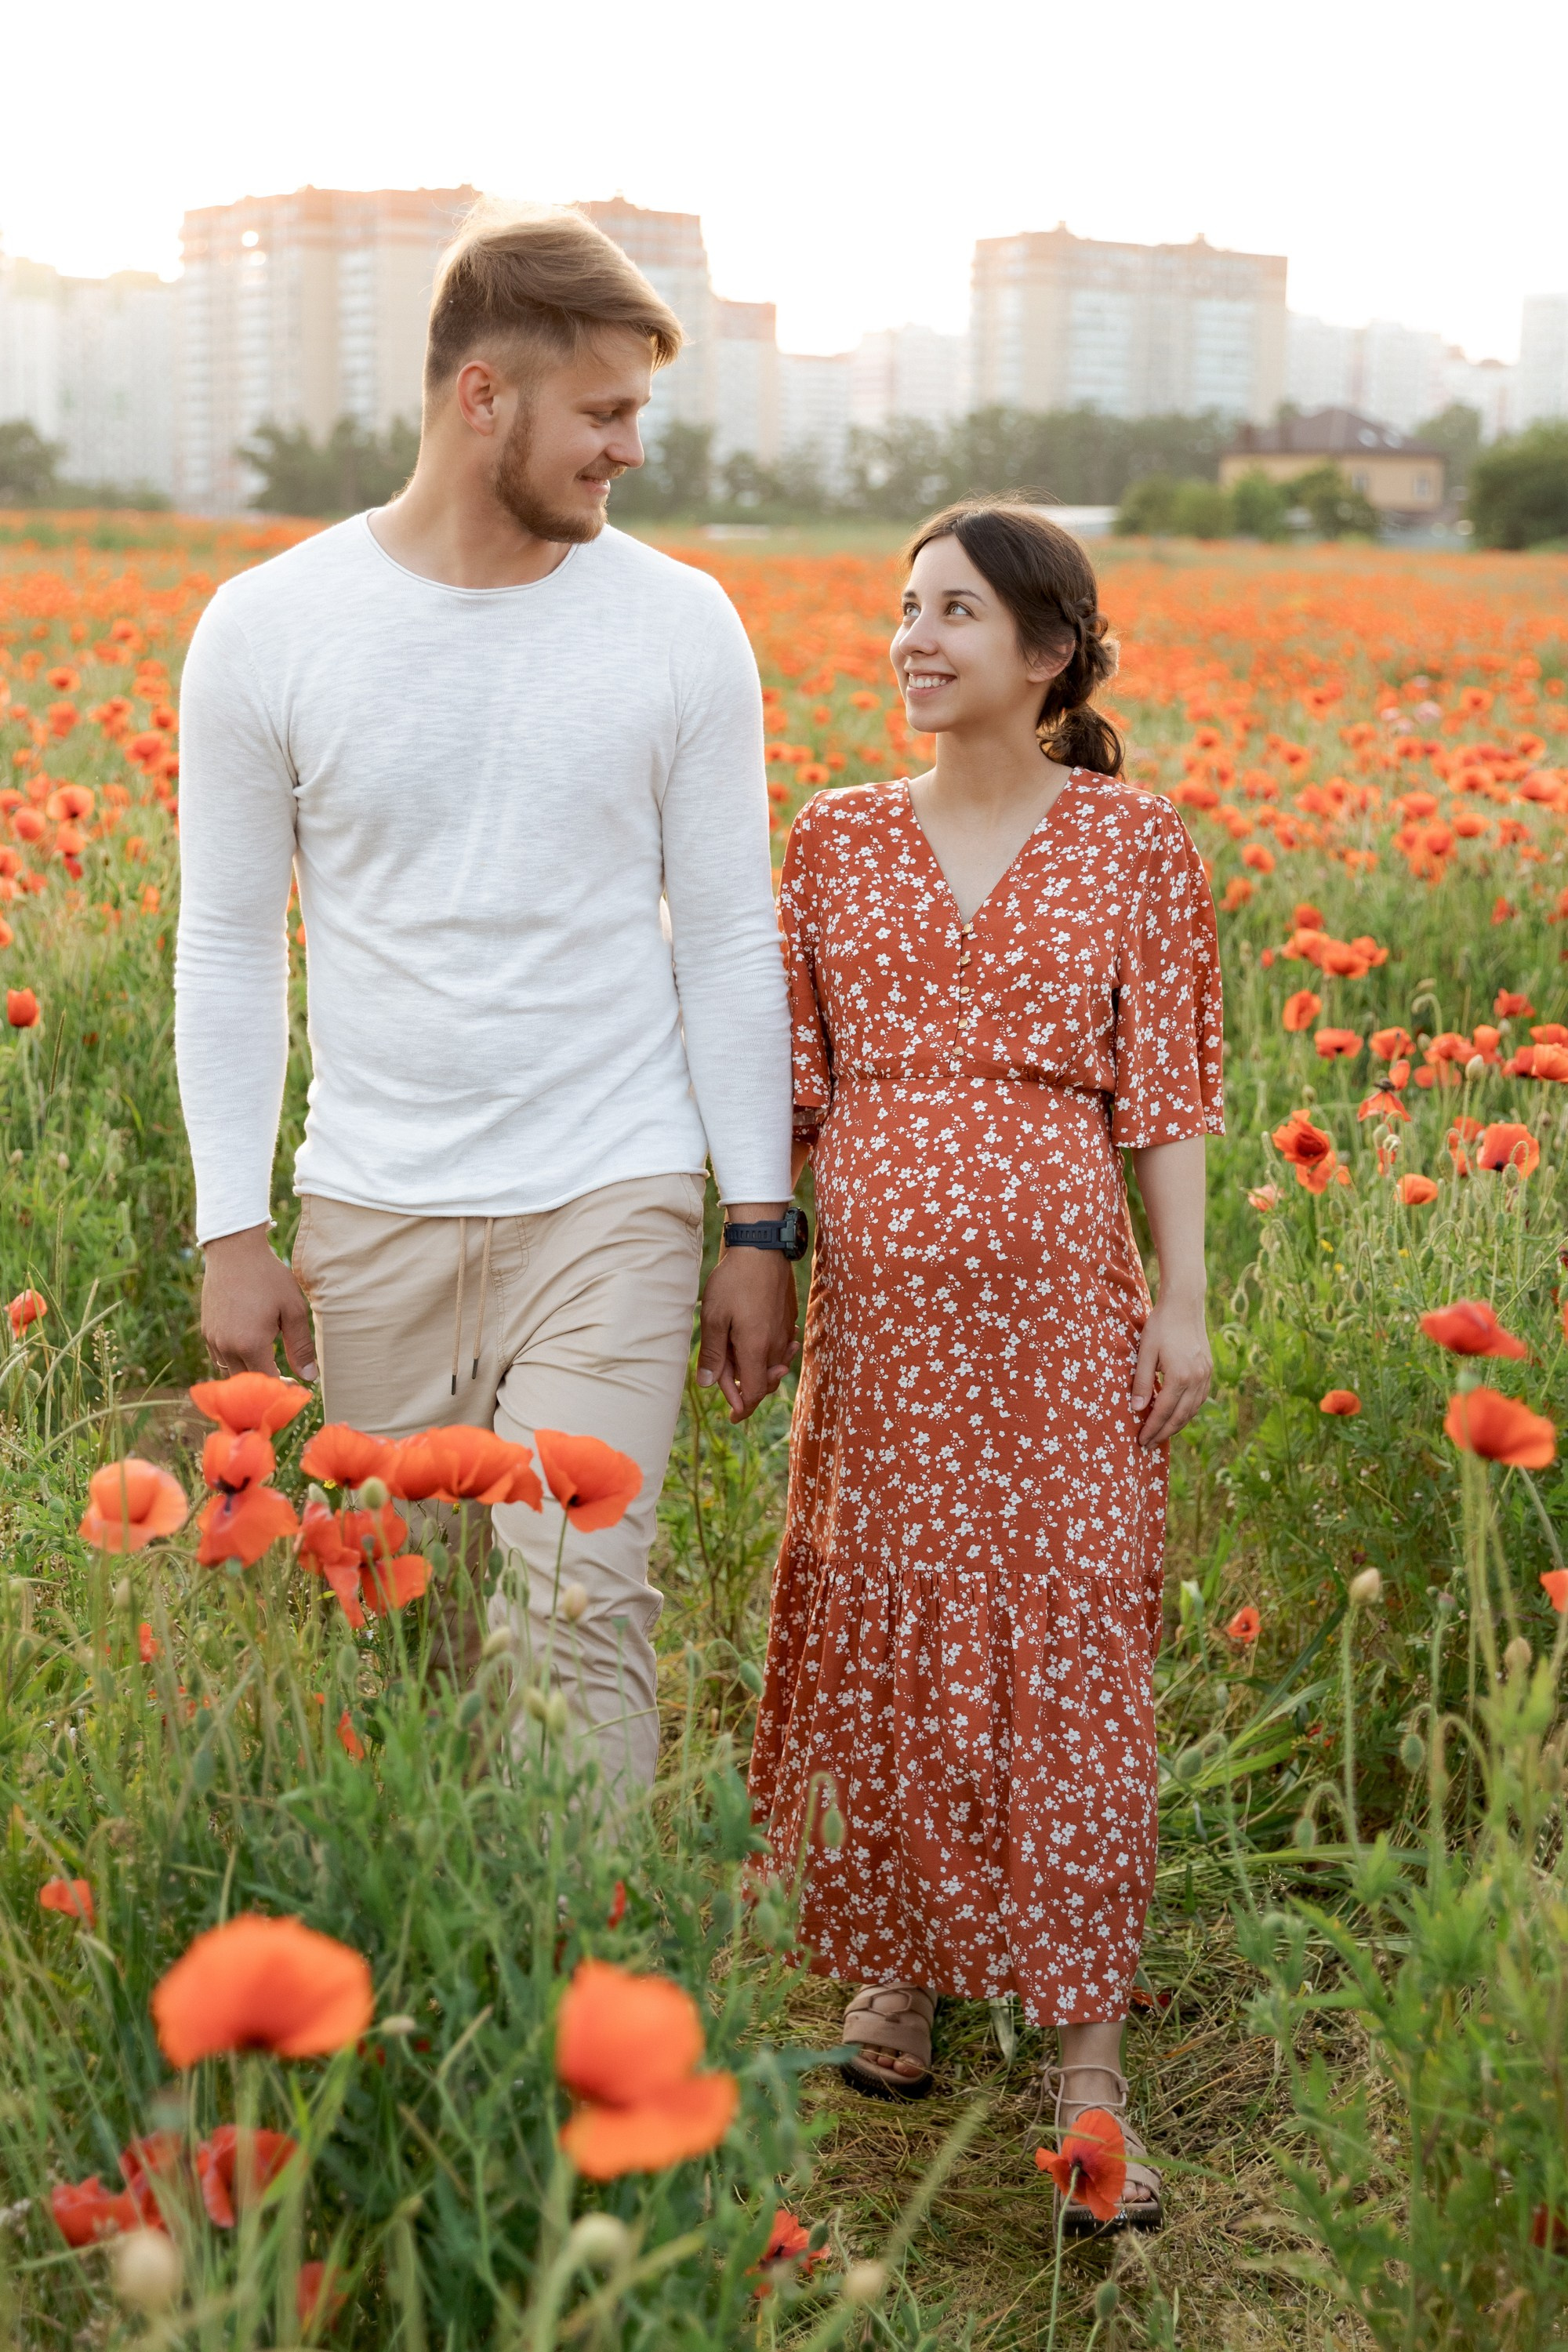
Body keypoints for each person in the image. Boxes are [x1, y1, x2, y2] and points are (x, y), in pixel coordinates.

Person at [175, 202, 799, 1798]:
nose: (629, 449)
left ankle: (583, 2010)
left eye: (637, 413)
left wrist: (756, 1222)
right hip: (374, 1205)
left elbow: (731, 937)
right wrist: (231, 1226)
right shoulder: (270, 628)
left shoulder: (679, 627)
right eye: (603, 412)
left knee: (576, 1608)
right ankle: (461, 1999)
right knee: (416, 1630)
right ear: (483, 399)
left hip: (612, 1191)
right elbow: (233, 943)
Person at [748, 500, 1223, 2231]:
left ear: (1049, 654)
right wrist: (767, 1265)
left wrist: (1180, 1299)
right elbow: (784, 1093)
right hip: (881, 1333)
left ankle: (1085, 2060)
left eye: (956, 611)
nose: (914, 639)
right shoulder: (832, 842)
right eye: (902, 608)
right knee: (887, 1613)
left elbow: (1164, 1093)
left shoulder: (1131, 844)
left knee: (1065, 1633)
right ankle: (899, 1972)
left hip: (1054, 1322)